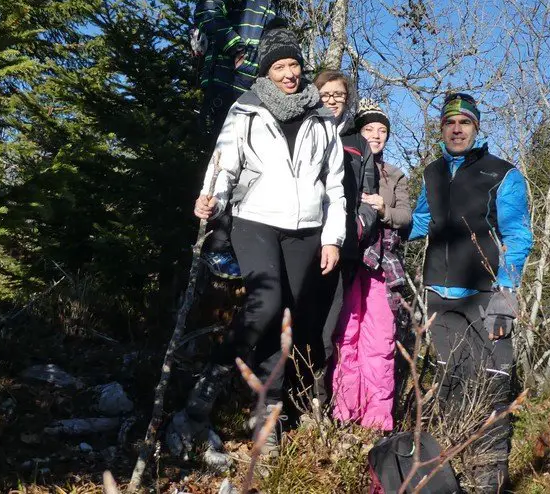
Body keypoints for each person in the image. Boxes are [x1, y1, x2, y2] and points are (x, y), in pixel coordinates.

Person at [167, 26, 346, 457]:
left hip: (306, 227)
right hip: (255, 219)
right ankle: (205, 392)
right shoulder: (245, 110)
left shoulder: (322, 116)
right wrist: (210, 198)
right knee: (264, 305)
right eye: (279, 66)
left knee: (285, 318)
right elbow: (225, 164)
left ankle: (267, 423)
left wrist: (332, 238)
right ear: (266, 71)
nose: (289, 73)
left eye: (294, 64)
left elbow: (335, 184)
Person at [408, 92, 533, 493]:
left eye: (465, 122)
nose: (457, 128)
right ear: (442, 128)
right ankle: (452, 475)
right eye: (450, 122)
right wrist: (375, 229)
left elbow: (518, 236)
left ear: (476, 128)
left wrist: (506, 293)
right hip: (439, 296)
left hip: (485, 295)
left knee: (493, 386)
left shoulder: (501, 173)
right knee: (450, 385)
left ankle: (489, 480)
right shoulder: (432, 173)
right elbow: (421, 222)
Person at [331, 98, 414, 431]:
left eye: (382, 130)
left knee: (379, 339)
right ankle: (344, 410)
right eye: (370, 129)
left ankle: (377, 419)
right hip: (350, 259)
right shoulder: (342, 159)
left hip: (382, 264)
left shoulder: (395, 175)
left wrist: (382, 210)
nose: (376, 135)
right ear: (359, 131)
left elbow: (405, 217)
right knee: (346, 335)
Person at [300, 70, 379, 410]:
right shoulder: (302, 131)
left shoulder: (359, 144)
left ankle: (315, 404)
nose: (332, 101)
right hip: (300, 242)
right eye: (326, 94)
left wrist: (358, 227)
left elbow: (370, 197)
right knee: (296, 320)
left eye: (339, 95)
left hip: (343, 249)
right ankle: (287, 401)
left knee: (328, 328)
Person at [193, 0, 297, 138]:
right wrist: (234, 45)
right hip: (224, 79)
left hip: (253, 89)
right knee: (217, 154)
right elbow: (208, 8)